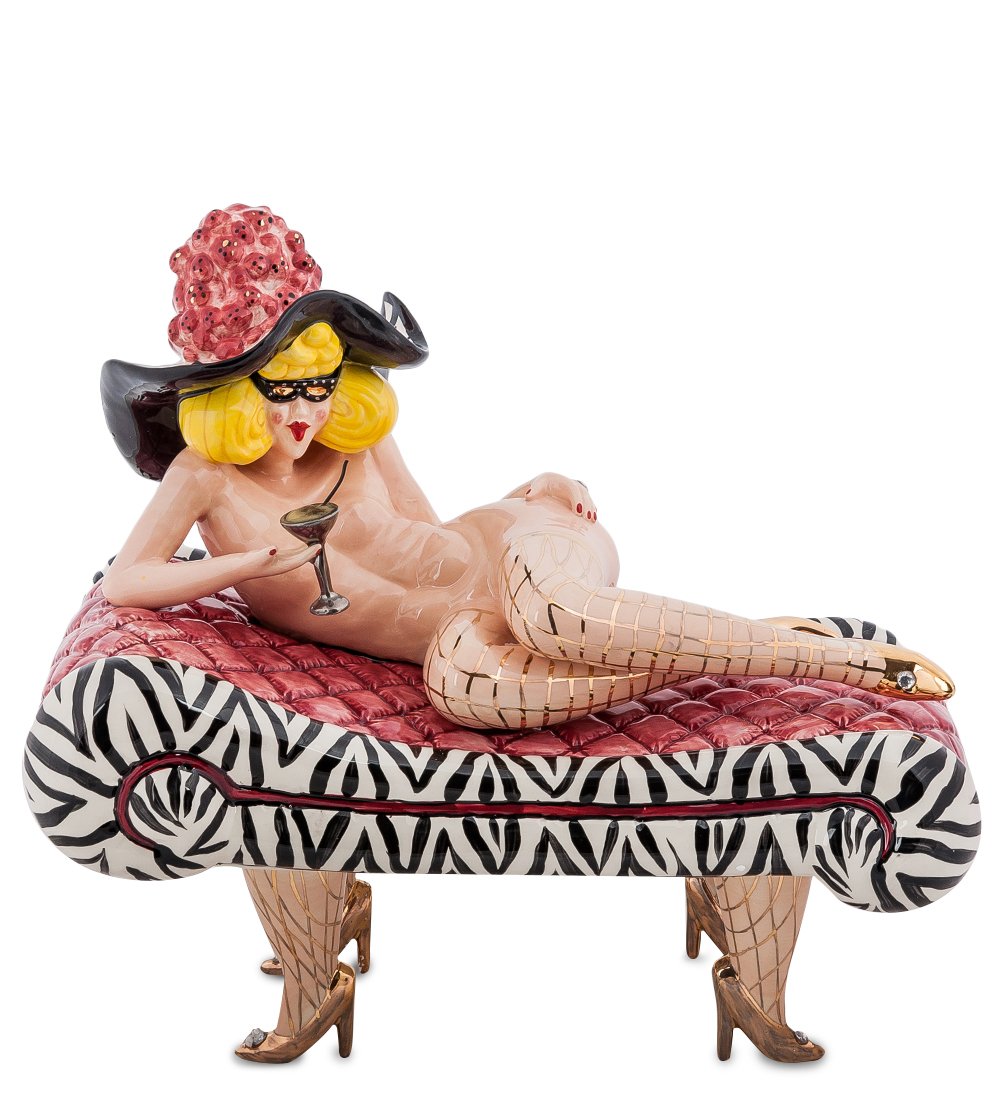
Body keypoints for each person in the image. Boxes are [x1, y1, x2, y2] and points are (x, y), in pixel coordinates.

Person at [100, 205, 954, 1062]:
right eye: (280, 388)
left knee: (553, 615)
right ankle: (760, 638)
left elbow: (439, 531)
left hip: (520, 557)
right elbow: (128, 581)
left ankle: (830, 658)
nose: (306, 411)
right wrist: (248, 563)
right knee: (464, 687)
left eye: (321, 385)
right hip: (466, 630)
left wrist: (537, 488)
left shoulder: (362, 442)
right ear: (231, 392)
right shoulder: (204, 476)